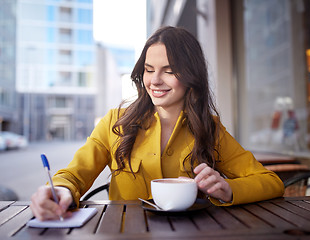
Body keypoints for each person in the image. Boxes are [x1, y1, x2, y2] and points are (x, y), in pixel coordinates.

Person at [30, 26, 284, 220]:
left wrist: (228, 189)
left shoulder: (210, 128)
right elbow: (74, 175)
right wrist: (61, 190)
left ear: (191, 76)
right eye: (149, 69)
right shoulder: (114, 123)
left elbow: (271, 182)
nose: (155, 80)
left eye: (170, 70)